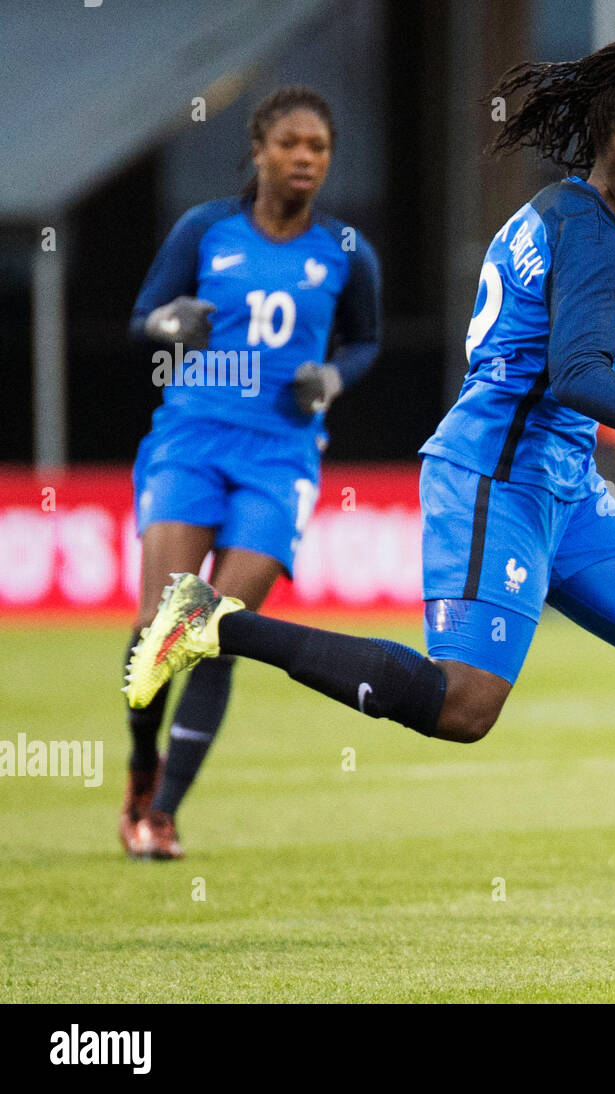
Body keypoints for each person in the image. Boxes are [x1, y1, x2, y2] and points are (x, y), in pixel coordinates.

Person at [125, 38, 615, 961]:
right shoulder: (592, 228)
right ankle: (213, 624)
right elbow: (574, 373)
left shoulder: (573, 215)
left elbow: (570, 336)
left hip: (563, 488)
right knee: (464, 706)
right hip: (493, 480)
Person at [120, 86, 381, 860]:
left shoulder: (345, 250)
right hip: (192, 440)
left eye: (320, 148)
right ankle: (141, 762)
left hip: (280, 458)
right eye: (291, 144)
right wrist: (170, 323)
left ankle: (162, 813)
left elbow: (365, 341)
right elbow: (142, 319)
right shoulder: (205, 230)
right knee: (156, 626)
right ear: (259, 149)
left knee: (213, 628)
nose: (306, 158)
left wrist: (332, 378)